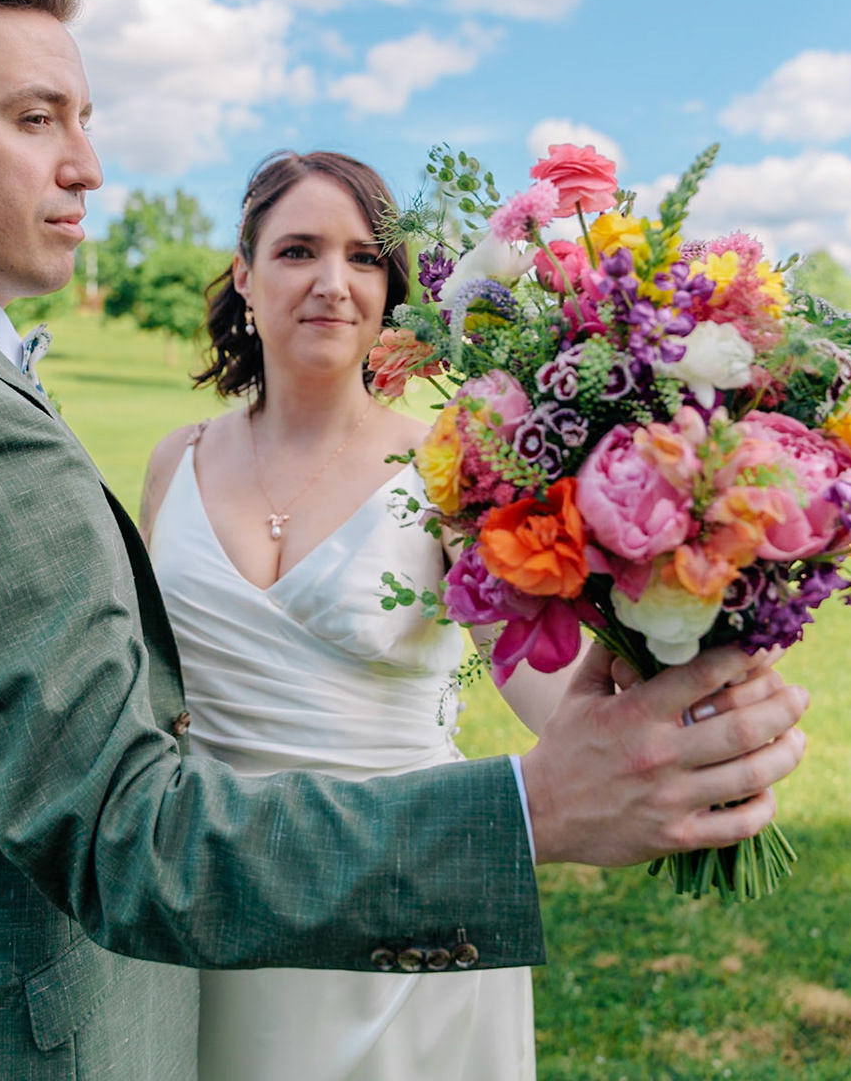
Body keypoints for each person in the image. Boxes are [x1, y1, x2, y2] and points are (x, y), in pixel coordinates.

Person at [0, 0, 810, 1081]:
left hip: (312, 946)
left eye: (84, 120)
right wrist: (530, 811)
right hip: (13, 1014)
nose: (87, 166)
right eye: (36, 119)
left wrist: (664, 655)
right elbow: (125, 833)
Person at [140, 150, 578, 1080]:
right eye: (298, 250)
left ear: (391, 290)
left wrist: (674, 654)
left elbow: (539, 677)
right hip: (215, 894)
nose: (332, 283)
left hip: (405, 910)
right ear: (245, 275)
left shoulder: (449, 464)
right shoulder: (173, 463)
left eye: (364, 257)